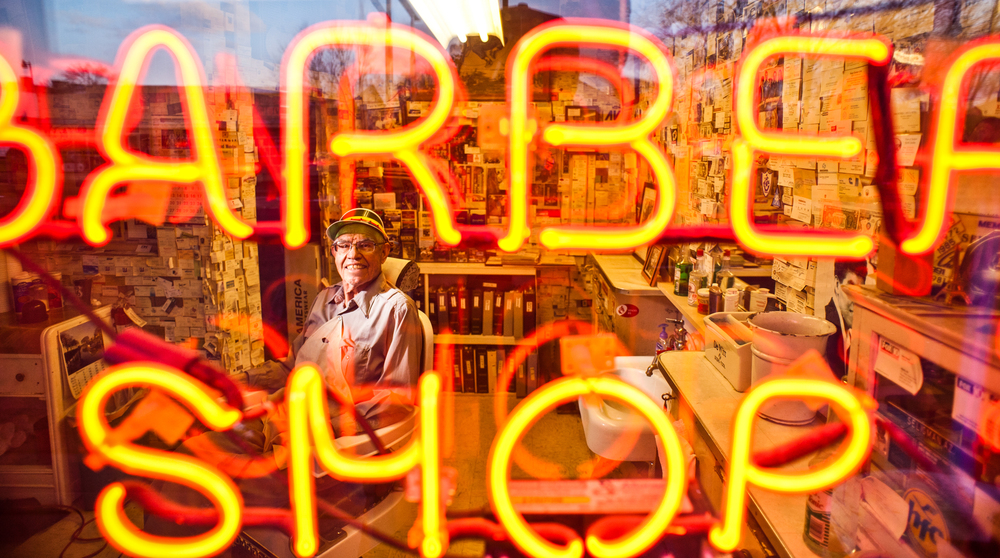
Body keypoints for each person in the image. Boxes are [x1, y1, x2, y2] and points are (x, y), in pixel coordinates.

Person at [825, 260, 868, 380]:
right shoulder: (830, 332)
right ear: (837, 285)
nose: (855, 299)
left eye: (860, 290)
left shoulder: (853, 327)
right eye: (850, 288)